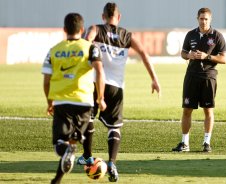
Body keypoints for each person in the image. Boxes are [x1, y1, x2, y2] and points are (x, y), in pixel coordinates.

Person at [76, 2, 161, 182]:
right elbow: (144, 53)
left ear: (103, 16)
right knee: (114, 127)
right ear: (119, 17)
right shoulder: (127, 35)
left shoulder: (95, 29)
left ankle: (88, 156)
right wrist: (154, 79)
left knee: (88, 118)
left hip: (93, 82)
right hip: (116, 87)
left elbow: (85, 42)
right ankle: (112, 162)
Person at [42, 13, 106, 184]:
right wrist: (101, 97)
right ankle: (77, 139)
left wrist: (50, 102)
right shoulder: (91, 48)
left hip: (62, 102)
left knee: (59, 145)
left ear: (64, 30)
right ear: (82, 30)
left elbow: (46, 81)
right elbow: (100, 72)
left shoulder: (53, 51)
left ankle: (71, 146)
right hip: (85, 102)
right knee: (73, 140)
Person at [172, 8, 226, 153]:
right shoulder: (191, 35)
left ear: (210, 20)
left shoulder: (217, 36)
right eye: (201, 19)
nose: (203, 21)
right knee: (187, 110)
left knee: (208, 110)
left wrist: (206, 57)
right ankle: (185, 143)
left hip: (209, 77)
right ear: (197, 18)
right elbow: (183, 53)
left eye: (206, 19)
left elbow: (224, 59)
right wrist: (188, 55)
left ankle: (206, 143)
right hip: (191, 75)